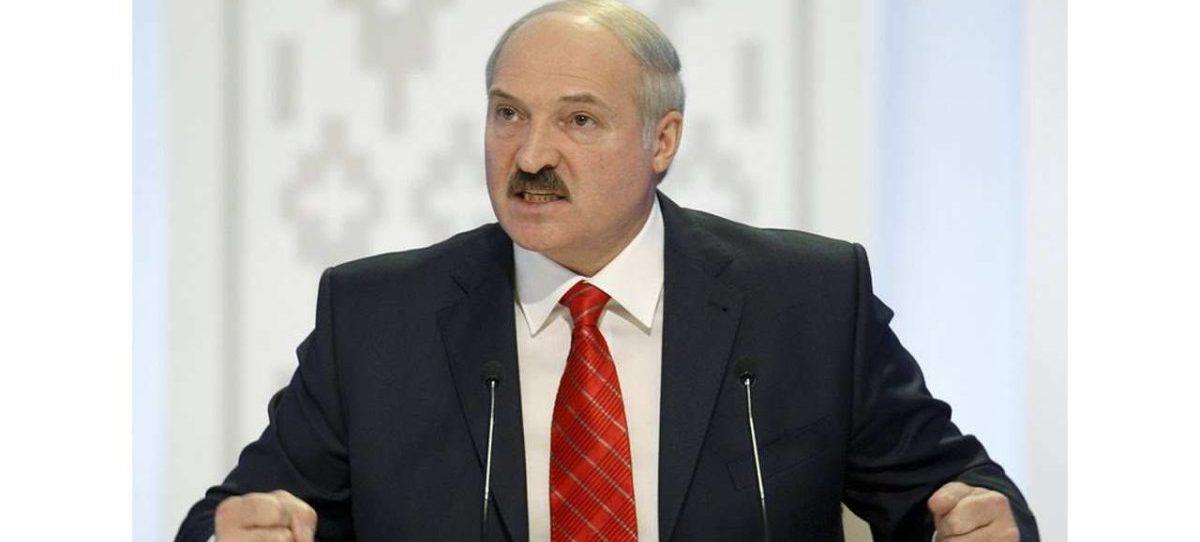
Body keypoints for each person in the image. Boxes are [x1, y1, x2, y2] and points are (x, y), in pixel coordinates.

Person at [176, 1, 1039, 540]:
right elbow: (230, 517)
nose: (530, 155)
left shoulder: (805, 302)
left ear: (662, 141)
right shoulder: (377, 318)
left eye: (579, 121)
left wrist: (978, 522)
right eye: (508, 114)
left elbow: (952, 495)